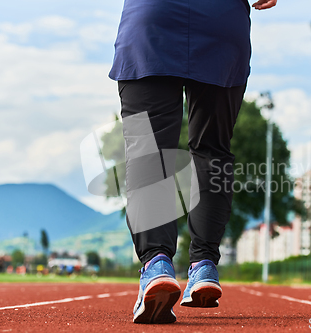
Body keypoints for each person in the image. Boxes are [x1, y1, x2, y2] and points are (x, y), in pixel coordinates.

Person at [109, 0, 277, 324]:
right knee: (212, 149)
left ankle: (156, 263)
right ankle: (204, 266)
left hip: (152, 18)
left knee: (150, 149)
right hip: (221, 22)